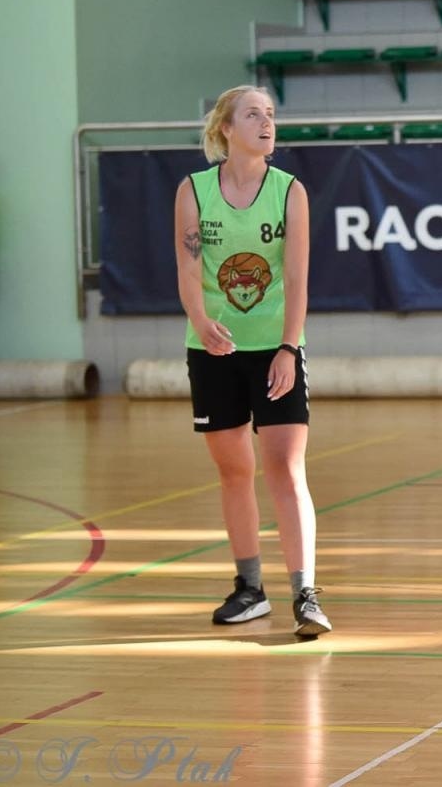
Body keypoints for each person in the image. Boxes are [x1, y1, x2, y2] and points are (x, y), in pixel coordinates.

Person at [174, 86, 331, 637]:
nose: (266, 123)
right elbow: (189, 269)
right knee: (234, 471)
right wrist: (201, 321)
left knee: (285, 468)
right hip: (213, 348)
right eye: (253, 114)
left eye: (270, 115)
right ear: (226, 128)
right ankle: (249, 588)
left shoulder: (289, 191)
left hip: (274, 347)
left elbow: (297, 278)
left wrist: (289, 347)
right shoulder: (194, 190)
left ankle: (305, 593)